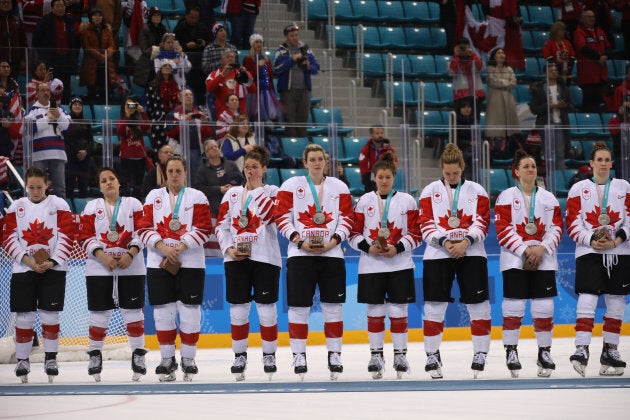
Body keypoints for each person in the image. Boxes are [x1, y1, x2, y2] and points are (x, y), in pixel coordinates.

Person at [274, 143, 353, 380]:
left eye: (321, 159)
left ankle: (335, 354)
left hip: (332, 254)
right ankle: (299, 355)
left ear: (326, 162)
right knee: (299, 307)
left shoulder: (339, 186)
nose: (317, 163)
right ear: (305, 162)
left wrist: (334, 241)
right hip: (300, 255)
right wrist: (299, 241)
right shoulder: (291, 186)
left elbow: (348, 218)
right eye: (313, 159)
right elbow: (281, 217)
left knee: (333, 307)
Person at [418, 143, 491, 379]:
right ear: (442, 168)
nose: (451, 177)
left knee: (478, 305)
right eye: (447, 173)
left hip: (472, 253)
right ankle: (431, 354)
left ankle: (480, 352)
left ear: (463, 168)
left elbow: (482, 222)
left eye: (455, 173)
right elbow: (426, 223)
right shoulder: (429, 191)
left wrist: (466, 242)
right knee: (434, 306)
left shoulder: (477, 190)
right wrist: (445, 243)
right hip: (439, 254)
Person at [138, 156, 212, 382]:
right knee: (163, 312)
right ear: (165, 173)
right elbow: (142, 227)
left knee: (189, 312)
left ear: (185, 172)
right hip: (158, 262)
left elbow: (205, 227)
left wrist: (180, 246)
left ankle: (188, 359)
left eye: (178, 170)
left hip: (190, 262)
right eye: (170, 171)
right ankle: (167, 359)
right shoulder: (153, 196)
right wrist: (161, 246)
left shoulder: (197, 196)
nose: (174, 174)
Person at [349, 153, 421, 380]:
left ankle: (400, 354)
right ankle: (376, 355)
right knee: (375, 311)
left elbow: (417, 234)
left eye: (388, 177)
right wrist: (367, 247)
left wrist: (397, 248)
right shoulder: (363, 201)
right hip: (371, 266)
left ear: (394, 178)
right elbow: (352, 234)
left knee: (399, 310)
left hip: (400, 265)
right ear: (374, 177)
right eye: (380, 177)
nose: (384, 181)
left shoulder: (408, 201)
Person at [494, 149, 564, 378]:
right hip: (515, 260)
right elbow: (502, 230)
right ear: (516, 172)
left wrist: (541, 248)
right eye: (526, 166)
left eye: (533, 165)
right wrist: (526, 250)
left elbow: (557, 228)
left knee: (544, 307)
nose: (531, 169)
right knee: (513, 307)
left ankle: (544, 351)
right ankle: (511, 351)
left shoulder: (548, 198)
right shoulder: (506, 196)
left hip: (543, 258)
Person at [2, 167, 75, 383]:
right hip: (24, 269)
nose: (35, 191)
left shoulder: (59, 205)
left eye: (39, 187)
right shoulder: (16, 207)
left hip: (53, 270)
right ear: (26, 186)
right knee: (24, 316)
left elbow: (67, 235)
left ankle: (51, 358)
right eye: (31, 187)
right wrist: (29, 262)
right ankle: (23, 360)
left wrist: (52, 262)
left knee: (50, 315)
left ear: (47, 186)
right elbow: (8, 239)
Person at [215, 145, 281, 380]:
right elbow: (221, 227)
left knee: (266, 310)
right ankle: (239, 355)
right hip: (236, 259)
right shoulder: (232, 195)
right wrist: (228, 249)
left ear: (264, 169)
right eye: (247, 167)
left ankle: (269, 354)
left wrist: (256, 189)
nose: (250, 170)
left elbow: (270, 215)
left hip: (266, 258)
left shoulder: (273, 192)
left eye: (255, 166)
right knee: (238, 310)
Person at [565, 142, 629, 377]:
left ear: (612, 164)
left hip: (619, 252)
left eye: (607, 160)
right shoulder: (578, 189)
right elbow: (572, 223)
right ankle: (581, 348)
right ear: (590, 163)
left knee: (616, 301)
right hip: (589, 251)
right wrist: (591, 240)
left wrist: (617, 241)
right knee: (588, 298)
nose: (603, 164)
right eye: (599, 160)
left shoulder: (624, 187)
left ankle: (610, 350)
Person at [78, 168, 148, 382]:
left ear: (119, 182)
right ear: (99, 186)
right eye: (103, 180)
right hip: (100, 267)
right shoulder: (91, 207)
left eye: (112, 179)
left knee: (133, 311)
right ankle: (95, 355)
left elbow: (143, 231)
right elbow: (84, 236)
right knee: (100, 313)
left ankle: (138, 355)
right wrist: (103, 256)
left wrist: (131, 254)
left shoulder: (134, 204)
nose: (108, 183)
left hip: (131, 266)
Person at [25, 82, 71, 199]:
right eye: (42, 90)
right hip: (39, 154)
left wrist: (58, 117)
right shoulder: (32, 111)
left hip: (58, 153)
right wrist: (48, 119)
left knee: (60, 188)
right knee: (38, 187)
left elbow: (69, 127)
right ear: (36, 94)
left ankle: (62, 215)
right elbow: (29, 129)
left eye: (47, 90)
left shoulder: (59, 109)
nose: (45, 93)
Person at [273, 23, 319, 138]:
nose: (295, 38)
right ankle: (292, 148)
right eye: (292, 35)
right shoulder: (281, 50)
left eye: (296, 35)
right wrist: (292, 59)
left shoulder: (306, 49)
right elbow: (277, 69)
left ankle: (302, 148)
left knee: (302, 121)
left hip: (304, 91)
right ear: (286, 37)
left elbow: (316, 68)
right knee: (290, 120)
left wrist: (309, 66)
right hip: (288, 91)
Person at [31, 0, 79, 104]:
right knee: (51, 86)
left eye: (62, 6)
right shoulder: (44, 22)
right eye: (58, 6)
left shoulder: (70, 21)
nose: (60, 8)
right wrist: (44, 57)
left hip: (66, 60)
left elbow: (74, 41)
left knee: (65, 87)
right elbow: (36, 41)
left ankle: (65, 108)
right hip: (50, 60)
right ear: (52, 8)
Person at [529, 62, 574, 170]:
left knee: (560, 153)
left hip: (560, 124)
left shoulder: (563, 88)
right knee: (548, 155)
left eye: (555, 70)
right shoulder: (539, 89)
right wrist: (548, 106)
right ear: (545, 74)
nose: (554, 72)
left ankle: (560, 177)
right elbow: (534, 109)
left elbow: (571, 105)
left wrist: (564, 105)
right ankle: (549, 176)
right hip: (545, 125)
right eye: (551, 71)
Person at [79, 8, 128, 102]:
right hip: (91, 64)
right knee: (92, 90)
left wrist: (106, 56)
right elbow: (87, 47)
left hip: (106, 64)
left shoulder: (107, 30)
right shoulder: (86, 30)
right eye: (95, 15)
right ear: (90, 17)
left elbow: (111, 46)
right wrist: (101, 56)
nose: (97, 18)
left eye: (99, 15)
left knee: (105, 90)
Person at [164, 88, 212, 183]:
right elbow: (169, 132)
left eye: (190, 95)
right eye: (186, 95)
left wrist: (205, 122)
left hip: (197, 150)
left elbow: (207, 134)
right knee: (181, 177)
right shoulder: (173, 114)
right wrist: (183, 122)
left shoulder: (199, 114)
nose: (189, 96)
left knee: (196, 178)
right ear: (180, 98)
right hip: (179, 150)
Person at [573, 9, 611, 112]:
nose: (592, 19)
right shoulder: (579, 32)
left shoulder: (600, 31)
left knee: (601, 105)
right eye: (589, 17)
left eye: (593, 17)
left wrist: (605, 56)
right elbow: (583, 48)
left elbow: (608, 46)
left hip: (601, 75)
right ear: (583, 18)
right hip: (588, 76)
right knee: (589, 105)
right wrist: (599, 57)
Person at [194, 139, 242, 216]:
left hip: (233, 209)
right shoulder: (202, 170)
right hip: (213, 211)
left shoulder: (231, 165)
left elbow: (242, 181)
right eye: (211, 148)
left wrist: (232, 188)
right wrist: (219, 189)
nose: (215, 148)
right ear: (206, 154)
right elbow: (199, 189)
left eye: (216, 146)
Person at [173, 6, 211, 105]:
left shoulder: (202, 27)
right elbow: (174, 44)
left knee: (200, 86)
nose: (194, 20)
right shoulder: (179, 27)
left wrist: (204, 43)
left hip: (200, 61)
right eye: (191, 17)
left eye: (196, 18)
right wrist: (186, 45)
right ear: (186, 16)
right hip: (185, 60)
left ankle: (200, 104)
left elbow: (210, 42)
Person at [485, 48, 521, 145]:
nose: (502, 54)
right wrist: (506, 83)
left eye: (503, 53)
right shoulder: (490, 68)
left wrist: (501, 83)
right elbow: (493, 82)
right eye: (499, 53)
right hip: (495, 101)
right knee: (496, 127)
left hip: (509, 100)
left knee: (510, 128)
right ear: (494, 56)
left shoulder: (509, 69)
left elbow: (513, 83)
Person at [117, 97, 150, 199]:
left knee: (137, 187)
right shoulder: (121, 120)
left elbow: (147, 128)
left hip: (140, 158)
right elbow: (120, 131)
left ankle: (137, 208)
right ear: (124, 107)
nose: (130, 107)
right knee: (125, 187)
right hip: (127, 158)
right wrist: (127, 116)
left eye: (133, 105)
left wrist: (143, 113)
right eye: (128, 105)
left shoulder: (138, 121)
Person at [243, 33, 280, 123]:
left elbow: (269, 77)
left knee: (269, 116)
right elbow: (249, 76)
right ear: (252, 44)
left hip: (267, 90)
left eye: (260, 42)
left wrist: (272, 91)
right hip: (255, 92)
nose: (259, 44)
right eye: (256, 42)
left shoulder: (266, 59)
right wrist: (258, 67)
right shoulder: (248, 59)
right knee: (257, 116)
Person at [205, 49, 254, 119]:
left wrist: (245, 76)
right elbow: (209, 88)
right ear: (221, 61)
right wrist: (222, 75)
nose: (230, 58)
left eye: (232, 57)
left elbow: (253, 90)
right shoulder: (215, 74)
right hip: (222, 114)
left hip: (241, 114)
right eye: (227, 57)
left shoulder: (242, 73)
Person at [64, 96, 95, 199]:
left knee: (84, 186)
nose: (77, 106)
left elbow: (91, 140)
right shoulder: (67, 122)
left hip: (85, 159)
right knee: (69, 185)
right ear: (71, 107)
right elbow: (67, 140)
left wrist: (85, 151)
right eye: (75, 104)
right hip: (71, 158)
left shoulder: (86, 122)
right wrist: (77, 152)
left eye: (79, 104)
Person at [146, 59, 181, 150]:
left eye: (169, 66)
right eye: (165, 66)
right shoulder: (153, 85)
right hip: (158, 117)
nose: (167, 67)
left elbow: (178, 101)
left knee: (172, 144)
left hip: (172, 117)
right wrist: (149, 120)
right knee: (158, 144)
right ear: (160, 68)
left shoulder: (175, 85)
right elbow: (149, 104)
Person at [449, 37, 484, 118]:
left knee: (476, 119)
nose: (463, 49)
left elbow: (482, 68)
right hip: (461, 95)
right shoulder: (453, 60)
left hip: (476, 93)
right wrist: (456, 57)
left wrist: (473, 55)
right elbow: (452, 72)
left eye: (465, 47)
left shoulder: (474, 58)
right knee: (462, 120)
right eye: (461, 47)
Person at [132, 6, 167, 88]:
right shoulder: (145, 29)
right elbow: (145, 50)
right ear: (150, 17)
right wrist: (159, 48)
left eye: (159, 16)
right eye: (155, 16)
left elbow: (170, 42)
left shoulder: (165, 28)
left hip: (164, 61)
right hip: (149, 63)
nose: (157, 18)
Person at [358, 125, 398, 194]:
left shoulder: (389, 149)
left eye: (381, 133)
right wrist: (367, 178)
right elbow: (363, 164)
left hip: (385, 178)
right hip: (370, 182)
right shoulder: (366, 149)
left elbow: (395, 163)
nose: (380, 135)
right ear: (371, 135)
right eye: (377, 133)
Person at [542, 21, 576, 85]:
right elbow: (548, 57)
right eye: (561, 30)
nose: (564, 32)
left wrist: (568, 67)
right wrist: (559, 68)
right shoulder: (549, 43)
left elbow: (572, 56)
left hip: (567, 72)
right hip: (554, 73)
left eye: (564, 30)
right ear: (556, 31)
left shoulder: (567, 43)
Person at [0, 0, 27, 72]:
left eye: (8, 2)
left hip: (15, 60)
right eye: (3, 2)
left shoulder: (17, 20)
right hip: (1, 60)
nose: (6, 4)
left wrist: (23, 59)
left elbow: (23, 41)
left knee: (13, 82)